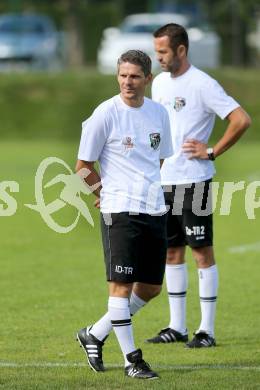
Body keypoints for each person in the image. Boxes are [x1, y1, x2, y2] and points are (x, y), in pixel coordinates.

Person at [146, 23, 251, 348]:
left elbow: (241, 119)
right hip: (165, 181)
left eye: (163, 51)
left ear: (180, 50)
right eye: (157, 51)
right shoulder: (160, 84)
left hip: (194, 182)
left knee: (202, 252)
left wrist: (212, 151)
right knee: (171, 252)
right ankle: (176, 326)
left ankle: (206, 330)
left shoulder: (203, 84)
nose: (158, 58)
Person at [75, 50, 173, 379]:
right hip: (120, 211)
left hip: (154, 208)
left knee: (149, 289)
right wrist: (104, 195)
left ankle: (95, 333)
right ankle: (133, 359)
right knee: (120, 286)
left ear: (148, 78)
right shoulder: (105, 113)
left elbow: (158, 159)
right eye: (122, 75)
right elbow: (83, 167)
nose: (127, 82)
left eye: (134, 76)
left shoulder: (159, 113)